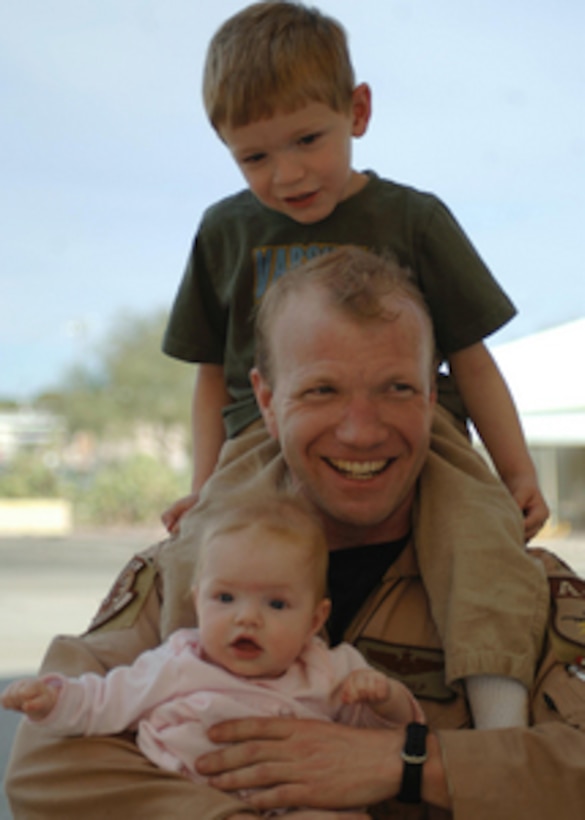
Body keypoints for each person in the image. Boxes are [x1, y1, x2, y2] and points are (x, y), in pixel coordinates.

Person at [6, 247, 585, 820]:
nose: (361, 431)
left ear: (432, 400)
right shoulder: (184, 575)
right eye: (322, 391)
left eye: (397, 389)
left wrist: (411, 765)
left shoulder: (521, 592)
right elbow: (45, 766)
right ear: (267, 401)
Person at [160, 1, 548, 730]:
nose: (287, 173)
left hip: (416, 426)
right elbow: (210, 372)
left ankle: (499, 721)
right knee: (200, 546)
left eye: (307, 139)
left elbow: (470, 359)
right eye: (255, 157)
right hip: (263, 435)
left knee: (481, 536)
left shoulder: (413, 220)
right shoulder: (224, 230)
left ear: (357, 110)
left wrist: (514, 470)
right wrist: (203, 484)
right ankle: (184, 700)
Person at [2, 491, 423, 817]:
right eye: (225, 598)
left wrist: (384, 697)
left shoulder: (330, 670)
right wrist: (55, 699)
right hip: (196, 801)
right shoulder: (181, 662)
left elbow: (386, 734)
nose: (247, 619)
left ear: (315, 620)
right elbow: (107, 700)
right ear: (197, 602)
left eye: (275, 604)